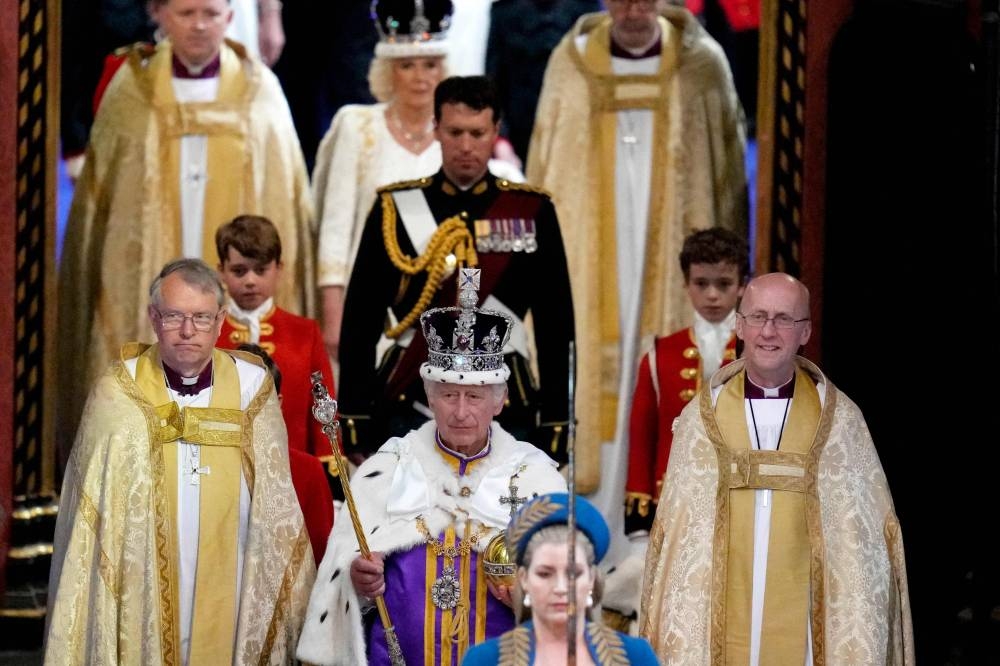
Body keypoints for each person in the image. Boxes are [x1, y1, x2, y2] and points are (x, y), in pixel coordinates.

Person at [56, 0, 315, 465]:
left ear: (230, 17)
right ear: (159, 14)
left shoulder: (261, 91)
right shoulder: (130, 90)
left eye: (211, 13)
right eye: (186, 12)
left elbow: (285, 200)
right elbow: (105, 214)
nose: (199, 25)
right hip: (149, 276)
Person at [525, 0, 748, 518]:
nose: (633, 10)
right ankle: (591, 524)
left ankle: (666, 525)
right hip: (592, 259)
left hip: (670, 250)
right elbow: (543, 169)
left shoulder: (701, 65)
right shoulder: (570, 64)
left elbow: (728, 175)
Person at [45, 258, 315, 664]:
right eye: (174, 316)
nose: (188, 331)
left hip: (234, 577)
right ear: (154, 317)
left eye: (202, 318)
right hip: (141, 589)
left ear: (221, 320)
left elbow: (277, 512)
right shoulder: (118, 391)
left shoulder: (252, 390)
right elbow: (91, 519)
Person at [296, 268, 568, 665]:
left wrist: (531, 598)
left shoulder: (536, 480)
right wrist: (358, 583)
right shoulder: (385, 471)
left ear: (499, 399)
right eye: (448, 394)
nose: (460, 412)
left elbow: (569, 601)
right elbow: (339, 598)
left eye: (474, 397)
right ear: (429, 395)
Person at [639, 273, 914, 664]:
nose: (769, 330)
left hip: (806, 625)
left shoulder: (840, 423)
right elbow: (679, 538)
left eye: (785, 319)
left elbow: (864, 543)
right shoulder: (703, 419)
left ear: (805, 331)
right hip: (722, 616)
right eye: (758, 317)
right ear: (739, 325)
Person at [335, 75, 574, 464]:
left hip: (508, 399)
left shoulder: (532, 212)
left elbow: (555, 325)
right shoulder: (394, 208)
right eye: (455, 132)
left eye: (477, 133)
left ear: (495, 131)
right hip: (407, 395)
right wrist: (355, 415)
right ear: (436, 131)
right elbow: (361, 320)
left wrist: (557, 420)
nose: (466, 146)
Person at [312, 0, 522, 362]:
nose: (420, 76)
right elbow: (334, 233)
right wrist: (334, 320)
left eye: (430, 65)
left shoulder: (460, 138)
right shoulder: (357, 126)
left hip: (452, 315)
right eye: (407, 65)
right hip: (374, 311)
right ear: (387, 70)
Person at [624, 228, 749, 539]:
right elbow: (641, 438)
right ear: (685, 284)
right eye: (701, 283)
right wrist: (639, 519)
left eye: (724, 284)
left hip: (738, 499)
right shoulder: (659, 354)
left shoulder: (757, 353)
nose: (712, 295)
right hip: (671, 501)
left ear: (742, 286)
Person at [462, 492, 659, 665]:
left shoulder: (636, 657)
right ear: (523, 579)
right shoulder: (485, 660)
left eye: (573, 573)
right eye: (545, 574)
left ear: (591, 580)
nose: (560, 587)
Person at [215, 215, 335, 461]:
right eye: (239, 271)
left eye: (260, 270)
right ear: (221, 272)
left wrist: (328, 469)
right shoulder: (209, 335)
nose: (250, 280)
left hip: (294, 469)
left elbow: (323, 408)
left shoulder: (305, 332)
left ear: (278, 269)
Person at [236, 342, 335, 565]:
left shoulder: (306, 471)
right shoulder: (195, 464)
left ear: (277, 403)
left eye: (257, 397)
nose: (244, 409)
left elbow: (322, 560)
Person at [485, 0, 601, 164]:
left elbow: (598, 82)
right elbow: (492, 87)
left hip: (575, 137)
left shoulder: (587, 10)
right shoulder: (504, 11)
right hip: (518, 143)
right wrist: (501, 142)